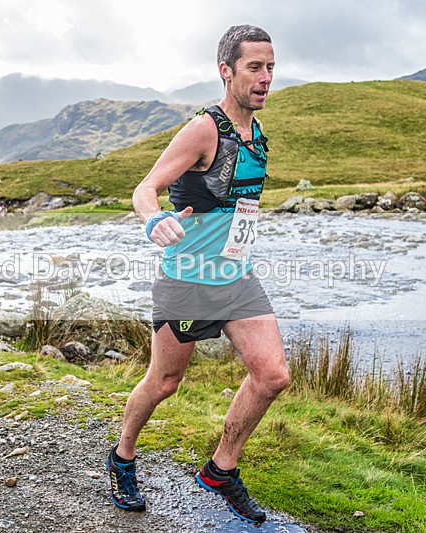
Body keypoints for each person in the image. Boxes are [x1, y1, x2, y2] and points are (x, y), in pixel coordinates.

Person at [106, 25, 290, 525]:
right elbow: (146, 188)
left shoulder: (257, 134)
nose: (266, 77)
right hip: (186, 280)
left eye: (271, 67)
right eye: (255, 67)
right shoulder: (204, 129)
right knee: (164, 383)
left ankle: (220, 468)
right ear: (225, 71)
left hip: (236, 279)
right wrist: (155, 220)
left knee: (273, 375)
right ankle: (122, 457)